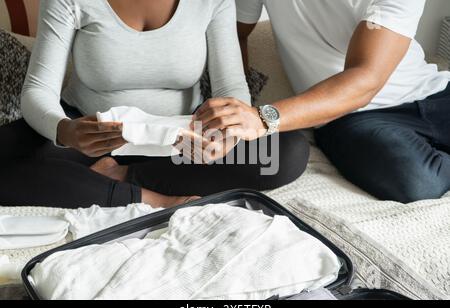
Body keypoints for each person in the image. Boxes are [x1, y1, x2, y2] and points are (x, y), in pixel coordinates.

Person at [0, 0, 309, 209]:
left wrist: (226, 137)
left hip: (182, 142)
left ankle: (124, 178)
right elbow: (38, 89)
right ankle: (150, 198)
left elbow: (231, 88)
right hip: (91, 136)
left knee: (288, 150)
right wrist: (66, 131)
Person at [197, 0, 450, 203]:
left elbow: (367, 78)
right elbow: (234, 32)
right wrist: (239, 102)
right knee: (418, 182)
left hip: (432, 91)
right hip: (352, 116)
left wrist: (262, 118)